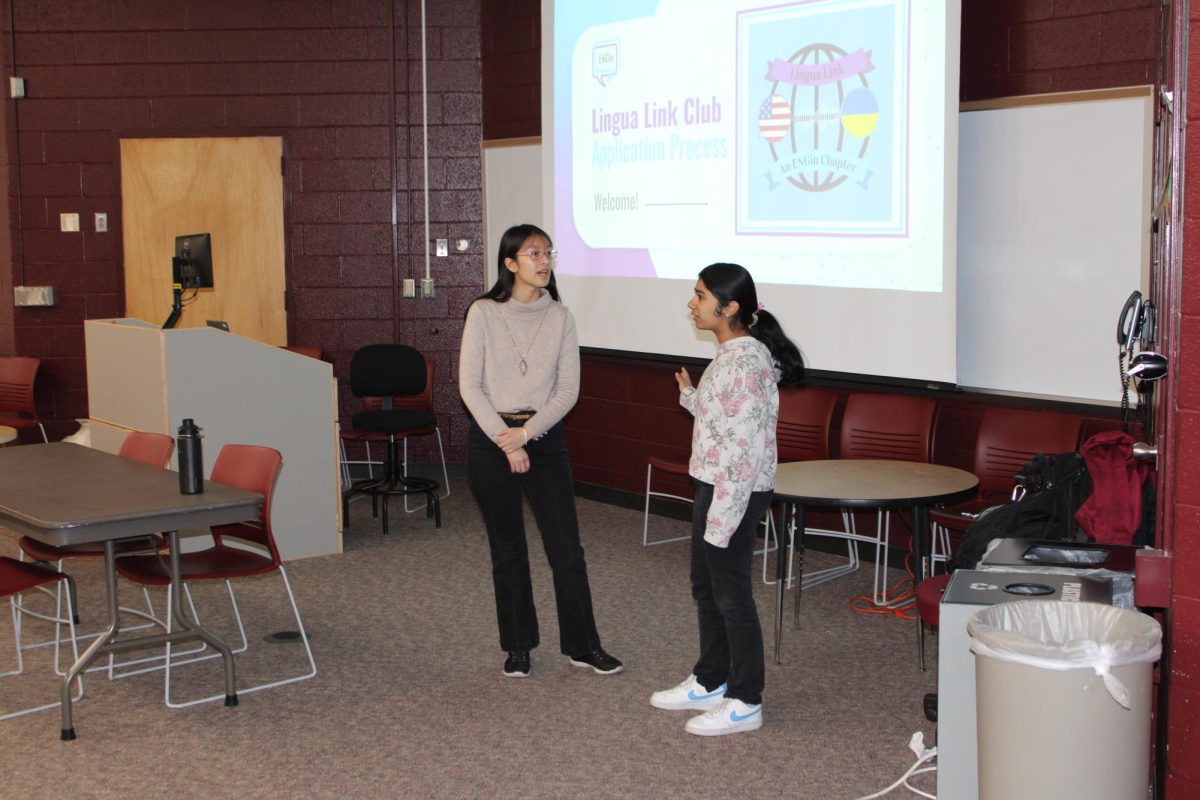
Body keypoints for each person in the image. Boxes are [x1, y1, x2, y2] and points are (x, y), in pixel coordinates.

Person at [459, 223, 622, 679]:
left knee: (566, 549)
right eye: (533, 254)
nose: (544, 261)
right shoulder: (483, 312)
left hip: (543, 439)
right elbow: (469, 386)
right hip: (492, 441)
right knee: (508, 549)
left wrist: (526, 435)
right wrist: (504, 438)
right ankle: (518, 646)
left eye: (548, 252)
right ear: (509, 263)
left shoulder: (561, 317)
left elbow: (568, 391)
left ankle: (582, 645)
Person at [650, 262, 804, 736]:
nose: (691, 304)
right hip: (715, 487)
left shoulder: (744, 363)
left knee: (732, 595)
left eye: (699, 295)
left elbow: (744, 449)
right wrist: (691, 397)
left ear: (730, 306)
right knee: (706, 587)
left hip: (731, 493)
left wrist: (723, 518)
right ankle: (711, 679)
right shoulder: (732, 356)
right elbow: (724, 423)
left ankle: (745, 699)